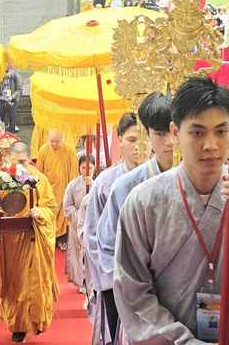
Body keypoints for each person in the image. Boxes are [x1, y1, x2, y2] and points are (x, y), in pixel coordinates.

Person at [114, 77, 229, 345]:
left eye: (221, 132)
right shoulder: (144, 202)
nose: (211, 145)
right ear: (176, 132)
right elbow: (132, 291)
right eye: (198, 132)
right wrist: (184, 341)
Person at [96, 92, 175, 342]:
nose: (170, 142)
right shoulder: (126, 187)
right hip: (141, 302)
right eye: (160, 133)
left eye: (175, 131)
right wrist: (127, 290)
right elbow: (107, 244)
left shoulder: (207, 182)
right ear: (147, 135)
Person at [0, 141, 59, 343]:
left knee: (32, 284)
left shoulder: (39, 180)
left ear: (29, 160)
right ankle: (17, 326)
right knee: (12, 287)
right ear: (7, 159)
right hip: (7, 244)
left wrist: (41, 212)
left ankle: (34, 321)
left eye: (23, 161)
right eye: (15, 161)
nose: (19, 166)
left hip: (31, 241)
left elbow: (52, 207)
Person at [82, 112, 138, 344]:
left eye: (143, 139)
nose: (138, 147)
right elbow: (92, 236)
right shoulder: (105, 183)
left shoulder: (165, 177)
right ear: (120, 142)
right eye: (132, 140)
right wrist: (109, 277)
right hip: (115, 277)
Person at [38, 130, 79, 251]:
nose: (54, 144)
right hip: (47, 190)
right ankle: (47, 238)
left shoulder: (69, 150)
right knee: (48, 212)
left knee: (62, 215)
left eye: (57, 141)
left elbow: (73, 173)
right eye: (52, 141)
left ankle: (61, 239)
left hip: (63, 188)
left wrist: (72, 190)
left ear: (62, 139)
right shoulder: (43, 150)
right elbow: (39, 171)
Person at [64, 152, 95, 292]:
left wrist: (94, 186)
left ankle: (94, 282)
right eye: (83, 168)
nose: (86, 171)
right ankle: (82, 282)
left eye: (89, 168)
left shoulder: (100, 182)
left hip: (95, 225)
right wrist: (80, 218)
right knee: (79, 256)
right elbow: (67, 205)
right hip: (78, 225)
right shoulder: (73, 185)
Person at [0, 66, 23, 133]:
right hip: (2, 98)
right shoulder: (0, 76)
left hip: (12, 98)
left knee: (12, 116)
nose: (5, 75)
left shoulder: (16, 76)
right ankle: (0, 131)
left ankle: (12, 132)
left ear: (9, 71)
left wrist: (12, 97)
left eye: (6, 73)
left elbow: (19, 89)